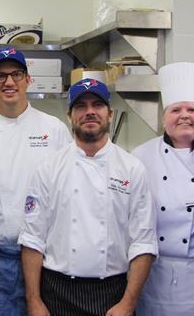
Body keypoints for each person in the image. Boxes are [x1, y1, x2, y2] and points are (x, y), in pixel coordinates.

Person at [19, 78, 158, 316]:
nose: (90, 112)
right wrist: (34, 301)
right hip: (56, 291)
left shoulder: (132, 169)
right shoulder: (48, 168)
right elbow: (33, 239)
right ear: (70, 116)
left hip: (113, 293)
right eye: (81, 106)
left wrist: (128, 303)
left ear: (110, 114)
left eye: (97, 105)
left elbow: (143, 243)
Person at [0, 47, 72, 316]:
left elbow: (68, 191)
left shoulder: (54, 129)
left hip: (48, 259)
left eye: (16, 74)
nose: (9, 82)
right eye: (0, 76)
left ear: (27, 79)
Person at [131, 62, 194, 316]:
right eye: (176, 110)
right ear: (164, 119)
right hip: (152, 272)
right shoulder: (140, 156)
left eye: (192, 109)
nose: (184, 115)